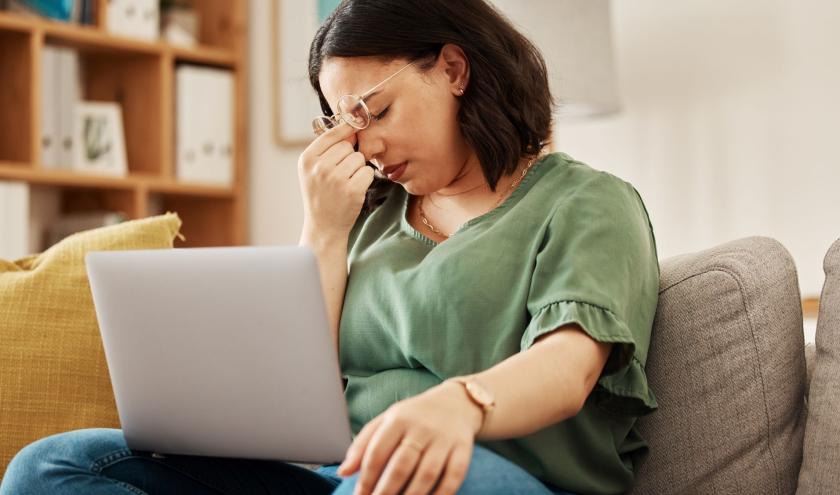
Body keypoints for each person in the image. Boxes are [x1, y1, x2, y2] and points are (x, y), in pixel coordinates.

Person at [0, 1, 659, 494]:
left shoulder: (585, 202)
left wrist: (458, 404)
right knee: (50, 467)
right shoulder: (372, 218)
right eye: (344, 124)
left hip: (481, 473)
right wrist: (322, 229)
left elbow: (568, 365)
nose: (363, 145)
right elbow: (294, 391)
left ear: (454, 69)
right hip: (335, 473)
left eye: (375, 111)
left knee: (412, 477)